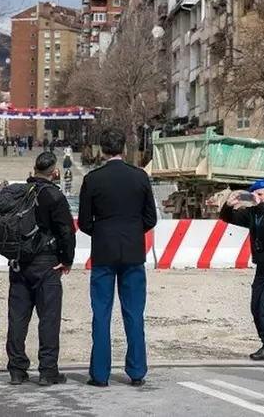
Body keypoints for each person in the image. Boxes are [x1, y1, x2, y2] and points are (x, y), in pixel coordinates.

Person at [79, 129, 157, 387]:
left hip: (103, 251)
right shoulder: (140, 177)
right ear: (123, 148)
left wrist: (101, 232)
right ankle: (136, 371)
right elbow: (151, 218)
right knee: (134, 312)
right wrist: (133, 231)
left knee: (101, 313)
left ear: (102, 150)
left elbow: (84, 222)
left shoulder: (93, 179)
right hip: (133, 251)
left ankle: (100, 374)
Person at [5, 152, 77, 386]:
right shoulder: (53, 196)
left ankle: (16, 369)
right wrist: (67, 260)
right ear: (54, 171)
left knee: (17, 318)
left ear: (33, 169)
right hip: (46, 262)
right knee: (49, 318)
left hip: (18, 263)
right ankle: (48, 370)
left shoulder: (17, 193)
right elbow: (66, 231)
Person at [219, 179, 264, 361]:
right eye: (254, 195)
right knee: (256, 305)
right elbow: (228, 218)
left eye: (260, 194)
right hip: (263, 265)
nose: (257, 198)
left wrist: (261, 206)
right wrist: (228, 206)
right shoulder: (253, 213)